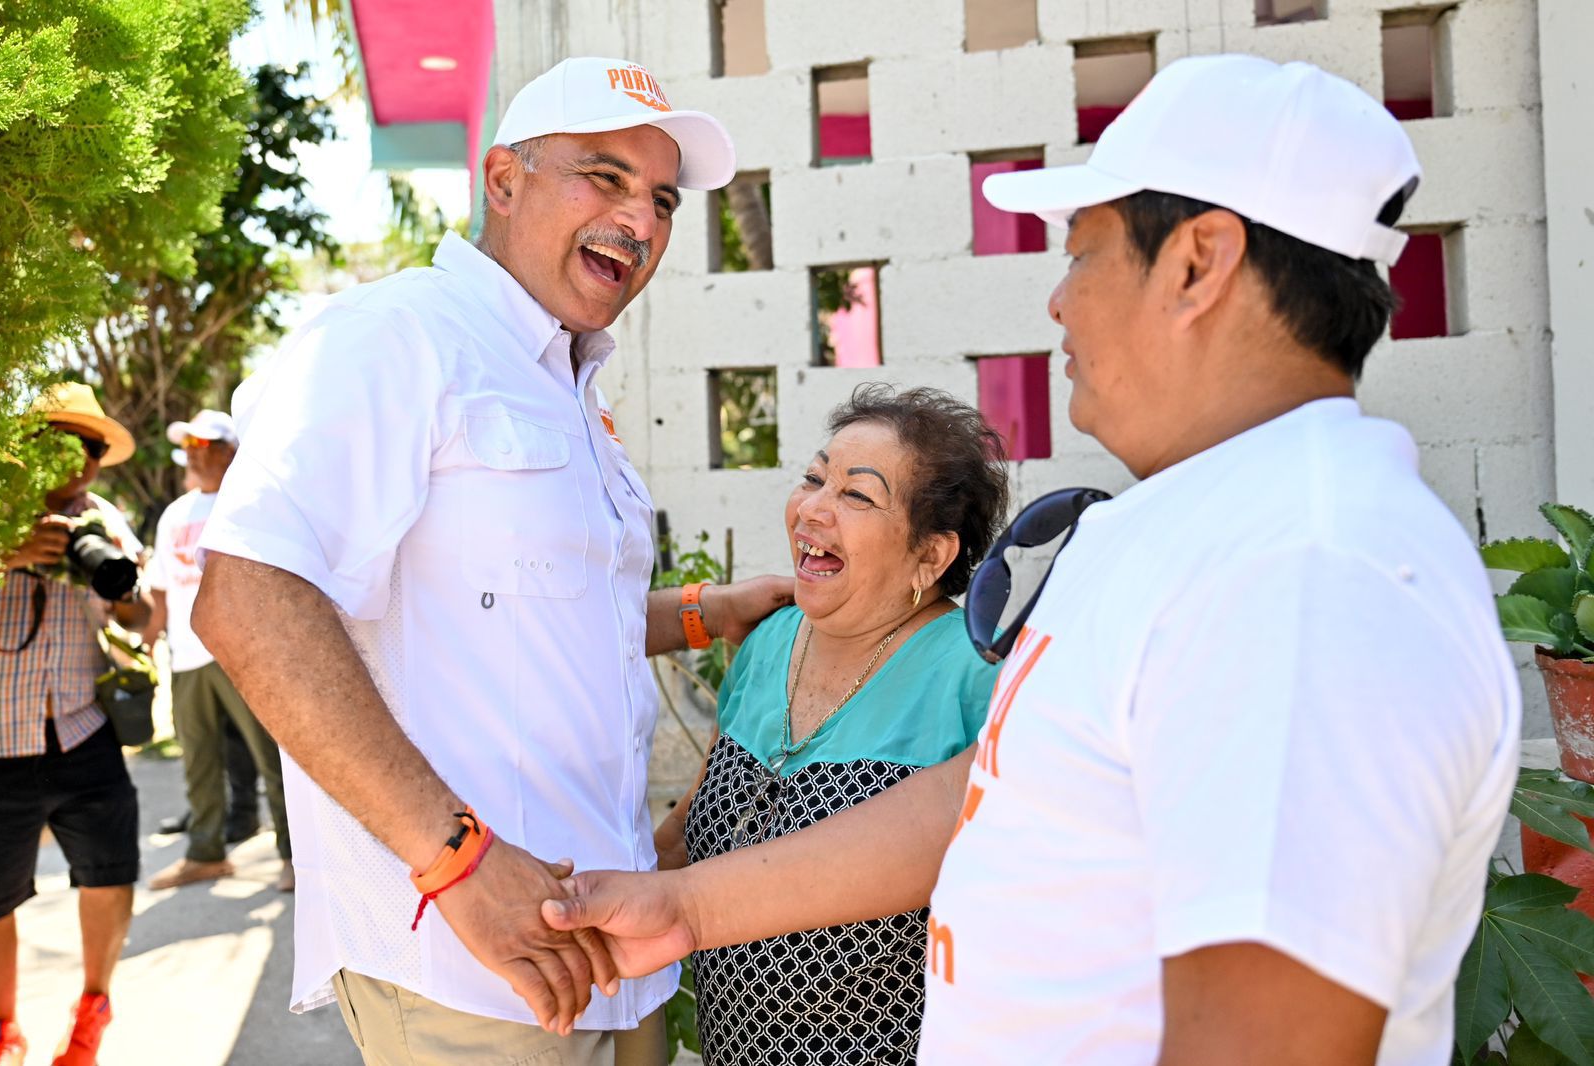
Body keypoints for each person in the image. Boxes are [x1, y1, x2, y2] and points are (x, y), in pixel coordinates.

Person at [542, 55, 1522, 1066]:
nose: (1058, 302)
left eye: (1084, 254)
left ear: (1197, 263)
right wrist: (687, 907)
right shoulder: (1170, 531)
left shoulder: (1305, 576)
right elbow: (988, 792)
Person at [189, 56, 791, 1066]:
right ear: (502, 182)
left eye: (660, 200)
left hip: (612, 938)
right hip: (476, 968)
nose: (640, 222)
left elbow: (539, 607)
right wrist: (456, 859)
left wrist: (710, 609)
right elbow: (247, 596)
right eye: (603, 177)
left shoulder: (561, 374)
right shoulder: (397, 335)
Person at [652, 384, 1005, 1065]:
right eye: (815, 479)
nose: (812, 508)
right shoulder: (771, 642)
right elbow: (690, 828)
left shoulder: (975, 674)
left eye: (856, 496)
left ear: (931, 556)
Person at [0, 383, 148, 1066]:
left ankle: (93, 1007)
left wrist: (122, 597)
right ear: (31, 446)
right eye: (65, 442)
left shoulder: (105, 521)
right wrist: (6, 555)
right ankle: (4, 1027)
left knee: (109, 874)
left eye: (90, 446)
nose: (80, 459)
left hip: (84, 732)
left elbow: (142, 619)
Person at [142, 409, 293, 893]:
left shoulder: (251, 501)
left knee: (273, 759)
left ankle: (294, 855)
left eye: (204, 446)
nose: (193, 455)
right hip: (186, 655)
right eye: (188, 447)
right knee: (198, 759)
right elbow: (163, 590)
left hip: (246, 651)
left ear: (231, 451)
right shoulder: (174, 515)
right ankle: (205, 854)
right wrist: (146, 641)